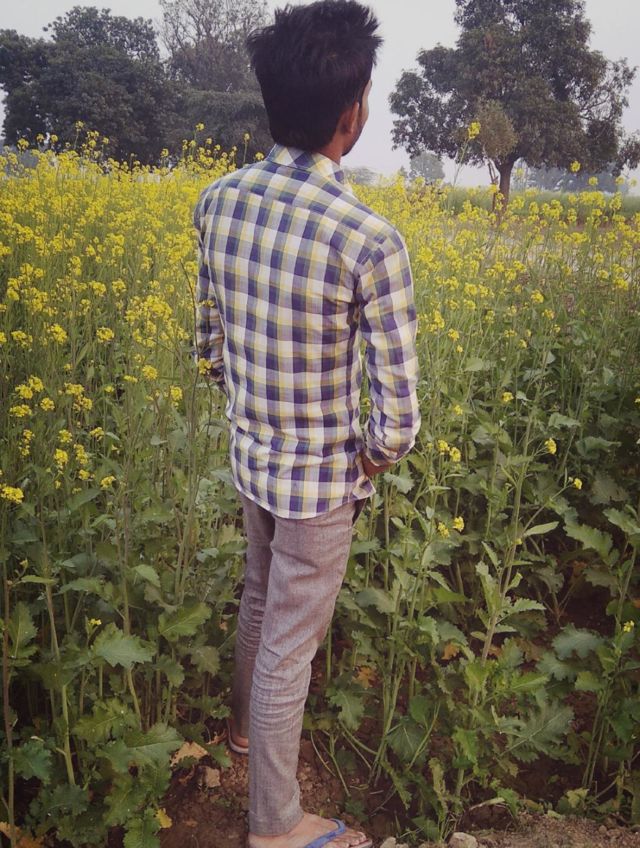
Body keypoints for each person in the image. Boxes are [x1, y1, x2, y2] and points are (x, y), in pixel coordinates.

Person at [192, 2, 421, 845]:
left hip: (251, 457)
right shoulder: (369, 239)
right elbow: (397, 420)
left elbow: (209, 347)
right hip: (321, 482)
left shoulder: (217, 201)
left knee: (260, 599)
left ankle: (241, 735)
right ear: (351, 113)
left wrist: (255, 411)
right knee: (291, 646)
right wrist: (368, 460)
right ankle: (275, 823)